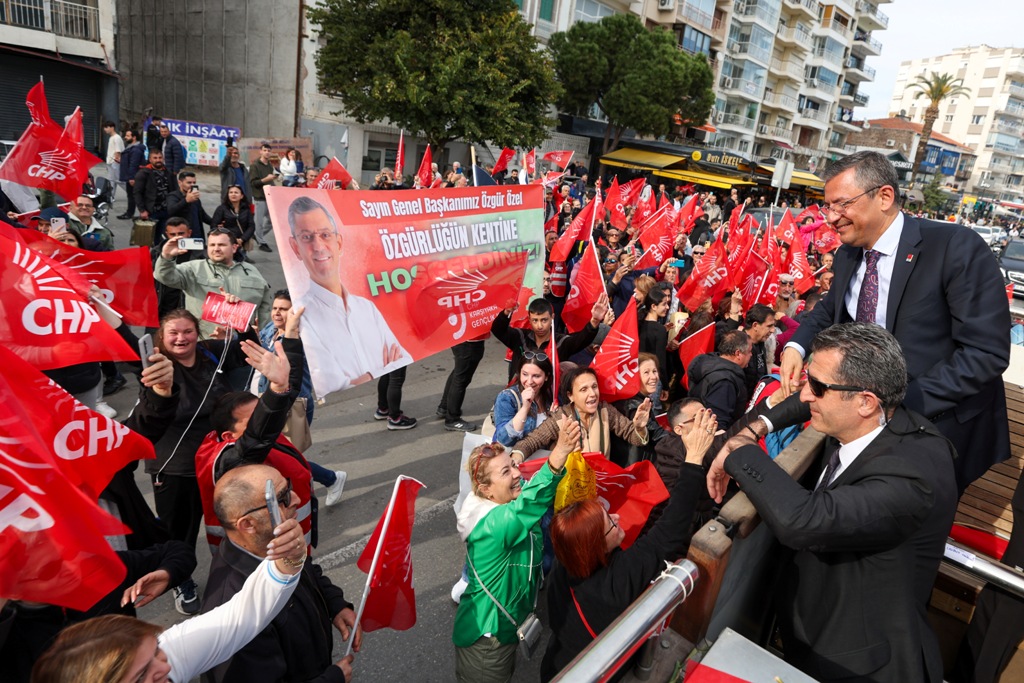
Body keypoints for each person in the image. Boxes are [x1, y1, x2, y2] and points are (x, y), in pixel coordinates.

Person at [708, 323, 958, 683]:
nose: (805, 395)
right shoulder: (885, 420)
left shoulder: (910, 480)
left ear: (865, 402)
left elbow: (801, 521)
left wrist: (738, 450)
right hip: (815, 631)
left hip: (854, 663)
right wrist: (757, 426)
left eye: (818, 387)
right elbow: (809, 399)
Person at [777, 151, 1010, 493]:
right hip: (864, 423)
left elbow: (985, 353)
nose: (831, 217)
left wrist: (895, 406)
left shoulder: (954, 247)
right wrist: (797, 345)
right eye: (827, 206)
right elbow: (831, 308)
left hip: (935, 426)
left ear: (884, 197)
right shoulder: (848, 254)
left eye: (841, 205)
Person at [541, 408, 717, 681]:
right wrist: (693, 460)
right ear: (593, 547)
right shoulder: (617, 582)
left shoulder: (566, 556)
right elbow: (669, 531)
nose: (617, 516)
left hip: (556, 667)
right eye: (610, 524)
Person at [30, 516, 309, 683]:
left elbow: (241, 616)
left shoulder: (149, 658)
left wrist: (288, 557)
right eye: (142, 674)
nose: (165, 666)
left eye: (156, 652)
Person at [202, 464, 358, 683]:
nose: (296, 498)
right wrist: (332, 679)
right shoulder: (234, 616)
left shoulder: (273, 545)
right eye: (281, 497)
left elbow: (307, 569)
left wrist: (334, 603)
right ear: (247, 525)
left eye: (289, 487)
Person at [453, 424, 578, 682]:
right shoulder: (491, 525)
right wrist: (559, 455)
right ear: (485, 489)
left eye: (513, 464)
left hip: (506, 631)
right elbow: (530, 503)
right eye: (505, 471)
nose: (517, 473)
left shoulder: (505, 503)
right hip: (486, 642)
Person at [285, 195, 408, 398]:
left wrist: (363, 377)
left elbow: (402, 357)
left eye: (325, 235)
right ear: (295, 248)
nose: (318, 246)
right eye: (307, 237)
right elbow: (332, 386)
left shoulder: (367, 308)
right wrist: (377, 370)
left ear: (339, 243)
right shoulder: (302, 314)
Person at [258, 290, 347, 506]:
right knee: (273, 454)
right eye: (275, 308)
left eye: (284, 309)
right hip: (267, 400)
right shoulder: (269, 330)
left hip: (294, 404)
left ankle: (330, 479)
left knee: (286, 457)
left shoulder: (304, 337)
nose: (277, 313)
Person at [509, 366, 651, 462]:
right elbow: (531, 441)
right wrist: (516, 457)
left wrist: (639, 428)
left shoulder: (606, 411)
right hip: (571, 489)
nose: (592, 394)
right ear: (571, 396)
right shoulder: (561, 417)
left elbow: (635, 438)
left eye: (594, 387)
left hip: (601, 483)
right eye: (584, 389)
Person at [155, 228, 274, 337]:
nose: (216, 249)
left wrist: (263, 337)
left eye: (221, 245)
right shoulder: (193, 268)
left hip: (243, 344)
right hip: (205, 342)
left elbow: (265, 308)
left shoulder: (251, 271)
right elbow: (164, 276)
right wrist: (166, 257)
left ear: (234, 247)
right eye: (212, 245)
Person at [491, 296, 606, 383]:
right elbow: (498, 330)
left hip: (550, 398)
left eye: (544, 320)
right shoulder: (520, 337)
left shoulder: (561, 342)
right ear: (529, 320)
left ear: (552, 318)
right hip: (521, 392)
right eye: (535, 320)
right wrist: (506, 312)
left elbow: (582, 339)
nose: (539, 326)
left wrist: (595, 321)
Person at [611, 352, 668, 466]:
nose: (653, 377)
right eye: (646, 372)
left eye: (654, 371)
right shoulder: (633, 406)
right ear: (633, 377)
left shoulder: (640, 400)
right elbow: (656, 436)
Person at [687, 329, 752, 429]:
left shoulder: (709, 365)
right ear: (738, 353)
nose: (751, 355)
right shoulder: (725, 382)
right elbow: (717, 422)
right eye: (749, 351)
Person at [492, 354, 554, 447]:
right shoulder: (507, 397)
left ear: (546, 377)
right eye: (525, 374)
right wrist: (525, 408)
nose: (529, 381)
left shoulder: (552, 395)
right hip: (515, 457)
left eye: (536, 376)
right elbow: (504, 439)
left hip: (543, 456)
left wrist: (555, 418)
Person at [436, 339, 487, 432]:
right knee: (461, 378)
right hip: (470, 339)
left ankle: (445, 407)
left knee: (459, 373)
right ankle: (452, 418)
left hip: (463, 337)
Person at [134, 149, 174, 241]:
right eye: (155, 158)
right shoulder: (143, 173)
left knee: (162, 240)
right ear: (150, 159)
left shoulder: (169, 172)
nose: (158, 160)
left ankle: (158, 255)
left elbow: (174, 190)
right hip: (150, 212)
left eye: (160, 157)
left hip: (166, 211)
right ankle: (145, 256)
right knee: (145, 240)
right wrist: (142, 210)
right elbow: (137, 193)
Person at [210, 185, 255, 261]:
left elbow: (251, 226)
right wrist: (231, 238)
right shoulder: (222, 209)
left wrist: (242, 239)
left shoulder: (246, 209)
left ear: (241, 196)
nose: (233, 194)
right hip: (227, 242)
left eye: (236, 192)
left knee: (240, 263)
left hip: (241, 243)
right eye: (231, 192)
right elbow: (213, 226)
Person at [167, 171, 213, 240]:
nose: (192, 185)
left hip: (197, 236)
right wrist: (186, 201)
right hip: (182, 236)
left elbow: (202, 215)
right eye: (189, 183)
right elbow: (171, 211)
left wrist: (216, 222)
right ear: (180, 182)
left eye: (194, 183)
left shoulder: (195, 198)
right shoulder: (173, 196)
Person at [742, 303, 776, 396]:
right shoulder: (740, 346)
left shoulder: (761, 341)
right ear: (755, 325)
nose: (773, 330)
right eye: (769, 326)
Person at [249, 143, 276, 252]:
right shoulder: (255, 165)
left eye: (269, 151)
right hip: (259, 196)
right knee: (258, 222)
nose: (267, 152)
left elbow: (270, 180)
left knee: (272, 220)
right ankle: (261, 242)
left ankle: (257, 235)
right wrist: (266, 179)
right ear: (260, 151)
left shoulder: (269, 165)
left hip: (268, 196)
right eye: (265, 150)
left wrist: (274, 185)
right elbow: (254, 183)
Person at [118, 129, 145, 220]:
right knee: (131, 195)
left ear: (134, 137)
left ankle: (131, 213)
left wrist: (132, 177)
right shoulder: (131, 147)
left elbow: (134, 164)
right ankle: (130, 212)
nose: (125, 137)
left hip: (133, 177)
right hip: (131, 176)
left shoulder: (136, 149)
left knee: (133, 195)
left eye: (128, 136)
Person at [103, 121, 124, 204]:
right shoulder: (111, 137)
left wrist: (116, 160)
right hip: (111, 162)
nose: (105, 129)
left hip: (115, 162)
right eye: (104, 128)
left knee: (118, 180)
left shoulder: (116, 138)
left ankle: (132, 192)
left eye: (106, 127)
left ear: (112, 127)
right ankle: (111, 196)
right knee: (112, 180)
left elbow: (118, 151)